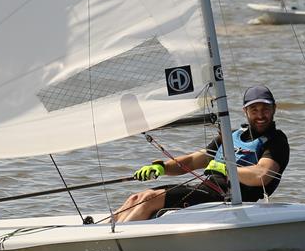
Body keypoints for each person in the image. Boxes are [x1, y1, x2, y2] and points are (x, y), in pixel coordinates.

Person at [113, 85, 290, 222]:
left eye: (265, 109)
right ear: (245, 111)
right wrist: (162, 168)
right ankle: (100, 234)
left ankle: (117, 244)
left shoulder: (276, 141)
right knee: (137, 197)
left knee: (149, 199)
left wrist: (227, 168)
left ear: (274, 108)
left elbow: (262, 175)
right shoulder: (230, 136)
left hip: (229, 200)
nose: (260, 115)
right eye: (254, 110)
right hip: (207, 190)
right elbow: (191, 161)